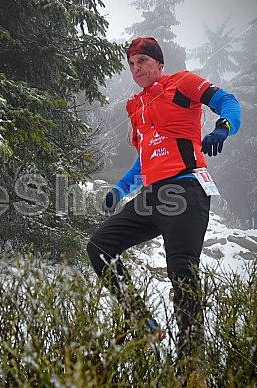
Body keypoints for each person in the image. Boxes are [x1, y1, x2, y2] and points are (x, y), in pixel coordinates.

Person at [87, 37, 241, 378]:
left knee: (182, 275)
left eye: (142, 61)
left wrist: (223, 127)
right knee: (98, 247)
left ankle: (191, 367)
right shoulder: (136, 106)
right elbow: (144, 160)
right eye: (131, 64)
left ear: (158, 63)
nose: (136, 68)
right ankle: (143, 322)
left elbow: (228, 102)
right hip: (153, 196)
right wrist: (119, 189)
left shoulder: (183, 82)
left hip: (187, 189)